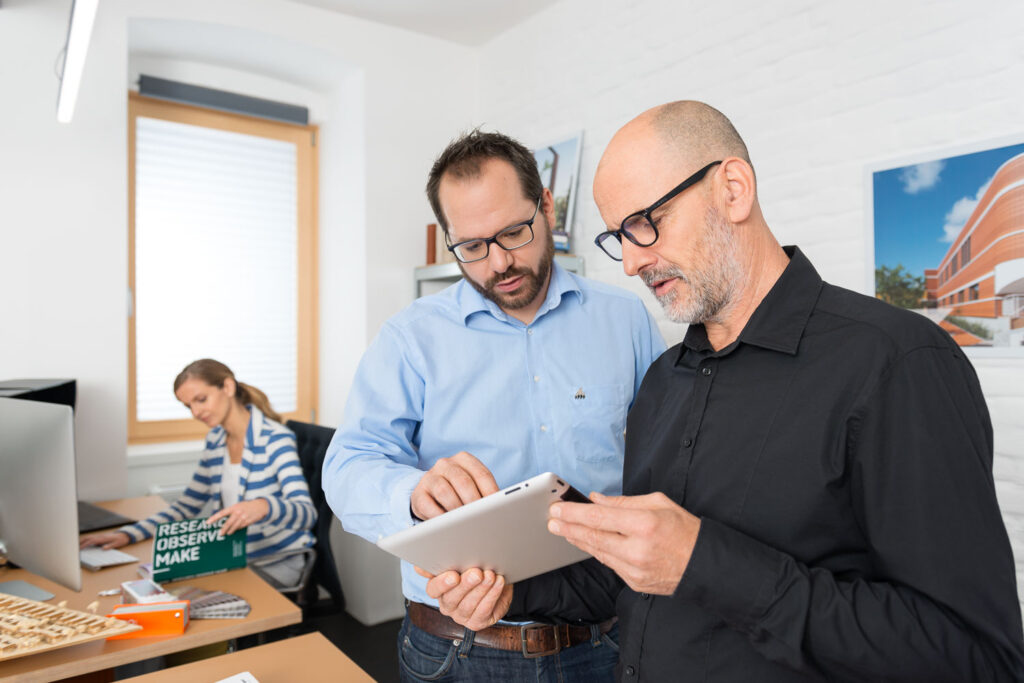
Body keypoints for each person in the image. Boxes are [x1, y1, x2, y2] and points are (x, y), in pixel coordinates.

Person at [425, 102, 1024, 681]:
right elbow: (635, 572)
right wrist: (507, 583)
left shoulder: (896, 362)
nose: (631, 263)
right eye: (619, 237)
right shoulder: (663, 382)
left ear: (732, 189)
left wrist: (706, 563)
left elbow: (974, 656)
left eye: (644, 223)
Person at [322, 130, 666, 682]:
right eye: (472, 247)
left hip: (606, 637)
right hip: (458, 651)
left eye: (514, 232)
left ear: (547, 207)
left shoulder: (624, 319)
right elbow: (347, 464)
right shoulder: (411, 338)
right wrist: (411, 494)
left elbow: (669, 457)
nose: (499, 262)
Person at [81, 359, 316, 587]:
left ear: (228, 386)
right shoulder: (216, 439)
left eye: (201, 399)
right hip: (231, 557)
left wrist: (263, 506)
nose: (195, 412)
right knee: (152, 585)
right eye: (188, 406)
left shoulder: (275, 439)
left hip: (273, 564)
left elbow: (306, 513)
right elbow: (186, 507)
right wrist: (129, 534)